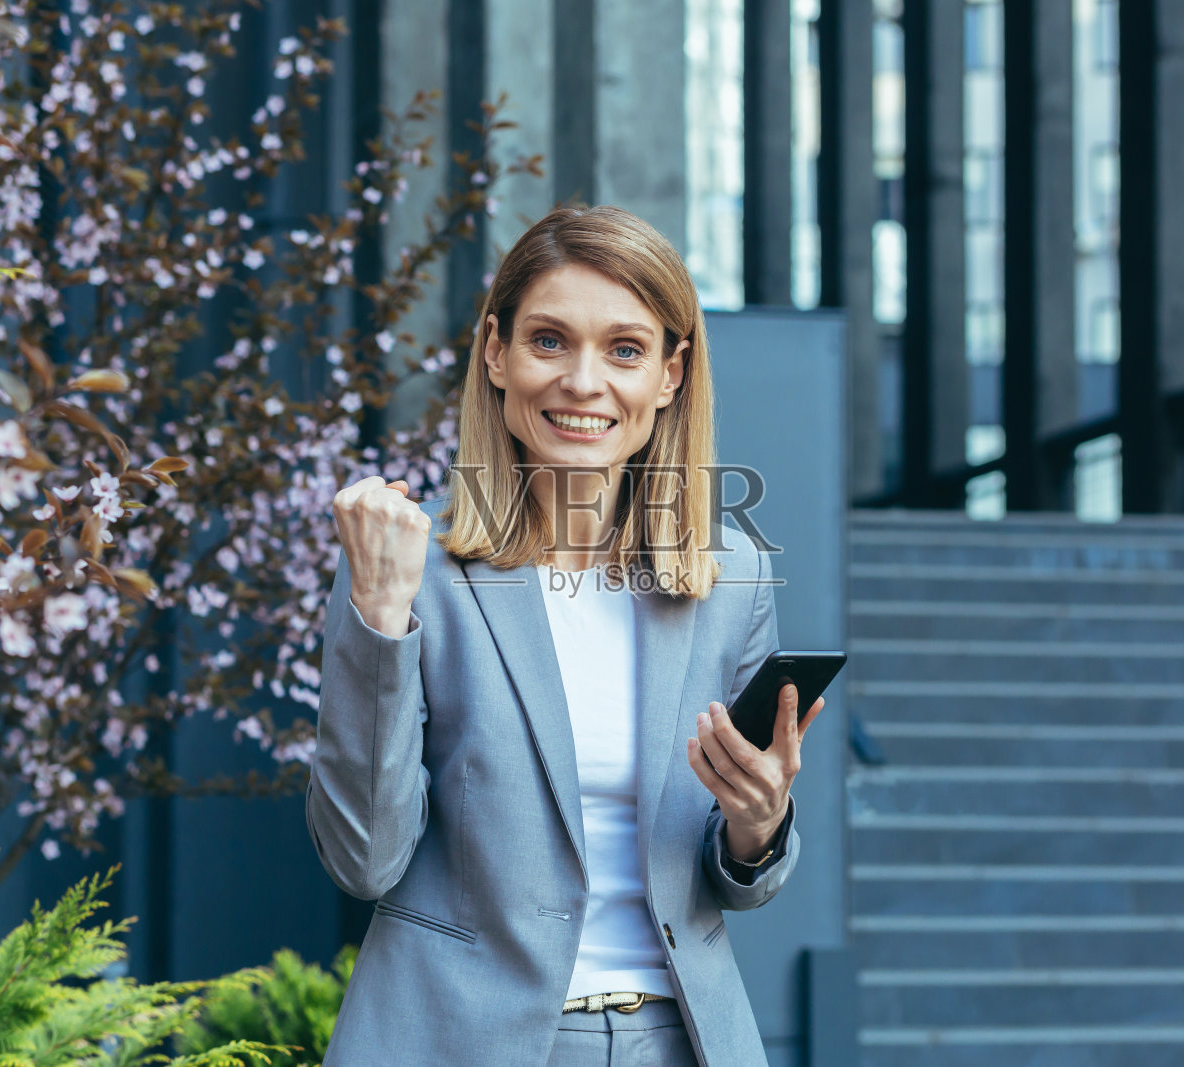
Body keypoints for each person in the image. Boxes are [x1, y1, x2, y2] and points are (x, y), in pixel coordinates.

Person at [307, 204, 824, 1066]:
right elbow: (364, 859)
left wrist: (760, 822)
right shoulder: (407, 563)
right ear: (496, 352)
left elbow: (736, 876)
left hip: (681, 1039)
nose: (584, 382)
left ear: (670, 374)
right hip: (463, 1040)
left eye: (625, 349)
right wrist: (380, 619)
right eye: (549, 340)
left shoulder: (727, 573)